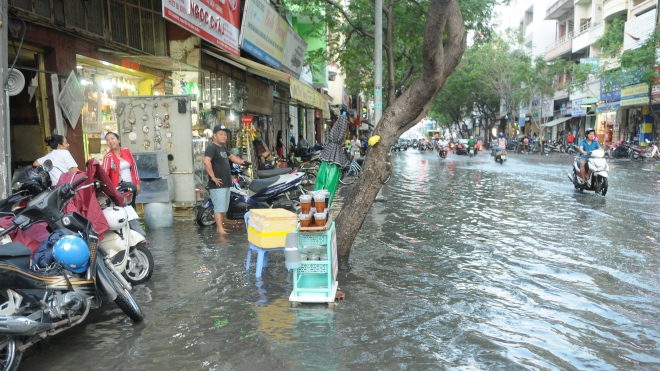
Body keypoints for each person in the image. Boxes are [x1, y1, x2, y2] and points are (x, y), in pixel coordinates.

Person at [203, 125, 245, 235]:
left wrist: (241, 162)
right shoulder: (211, 148)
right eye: (221, 134)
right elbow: (206, 161)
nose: (224, 136)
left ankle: (220, 227)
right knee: (218, 207)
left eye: (225, 135)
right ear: (215, 135)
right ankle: (220, 229)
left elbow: (231, 156)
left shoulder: (222, 148)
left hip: (225, 183)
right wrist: (213, 177)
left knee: (222, 208)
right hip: (218, 184)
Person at [102, 132, 140, 209]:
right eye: (108, 140)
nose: (110, 141)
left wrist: (137, 183)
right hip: (119, 188)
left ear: (118, 140)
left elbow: (134, 167)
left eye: (112, 138)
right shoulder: (108, 157)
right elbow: (104, 174)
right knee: (123, 210)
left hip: (132, 186)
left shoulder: (126, 150)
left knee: (132, 209)